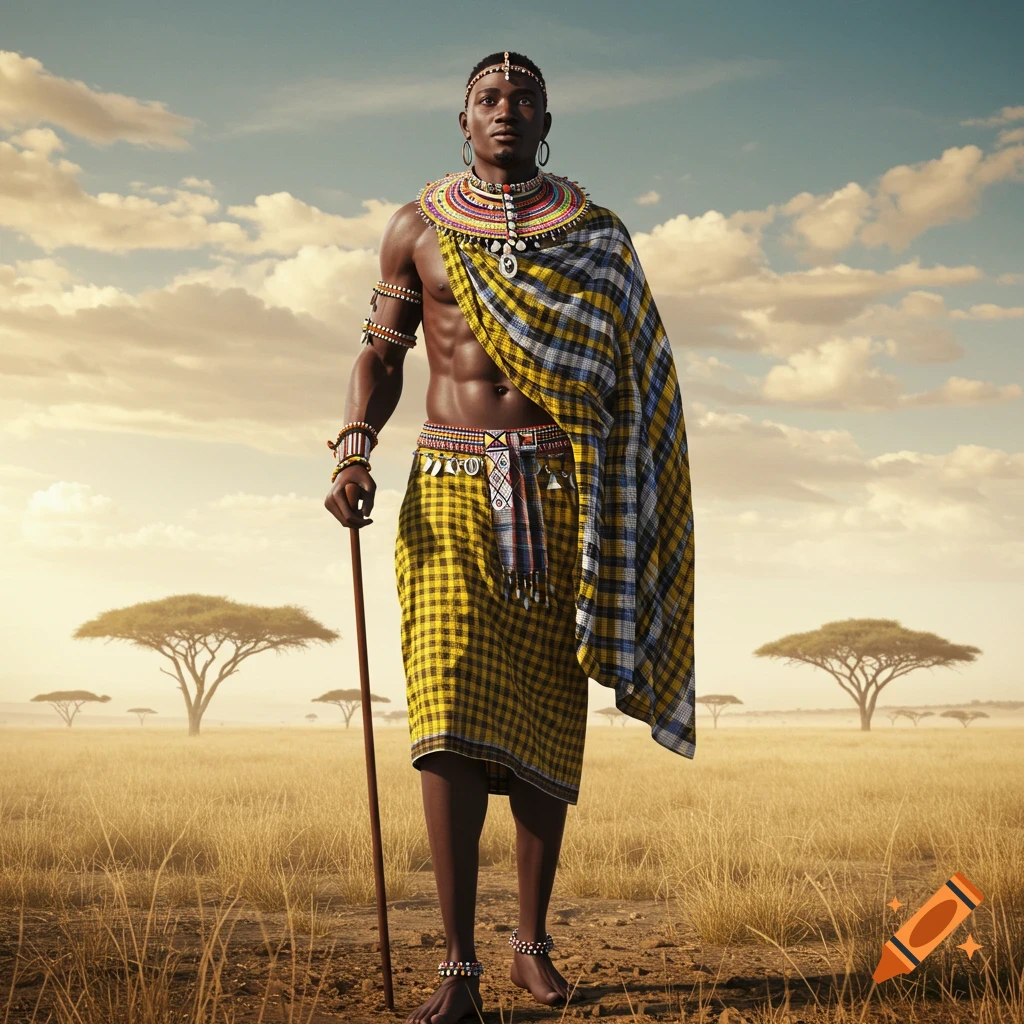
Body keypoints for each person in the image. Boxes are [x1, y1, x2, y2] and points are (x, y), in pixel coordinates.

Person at [324, 50, 696, 1024]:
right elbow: (382, 350)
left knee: (540, 717)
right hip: (444, 487)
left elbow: (634, 370)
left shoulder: (597, 237)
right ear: (462, 120)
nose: (504, 109)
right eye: (487, 97)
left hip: (558, 491)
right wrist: (354, 445)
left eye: (522, 96)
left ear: (546, 118)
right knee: (442, 714)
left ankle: (529, 942)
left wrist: (628, 485)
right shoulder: (418, 227)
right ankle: (457, 967)